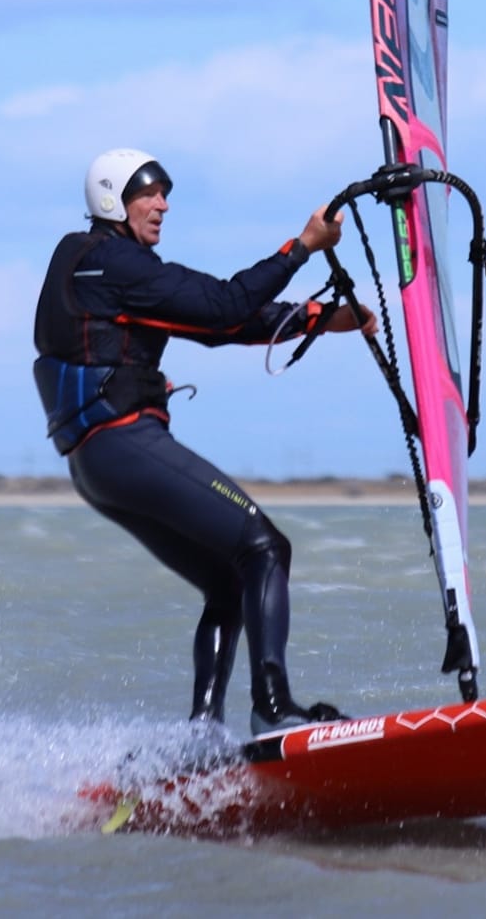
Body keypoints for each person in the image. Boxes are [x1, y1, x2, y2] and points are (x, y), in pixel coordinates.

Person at [32, 147, 377, 735]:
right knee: (265, 547)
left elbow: (222, 325)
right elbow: (224, 306)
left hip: (96, 464)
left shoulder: (90, 262)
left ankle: (202, 735)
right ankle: (273, 706)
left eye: (165, 194)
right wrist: (301, 247)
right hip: (122, 442)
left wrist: (317, 317)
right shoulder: (114, 262)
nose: (163, 205)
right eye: (149, 194)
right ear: (113, 200)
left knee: (229, 580)